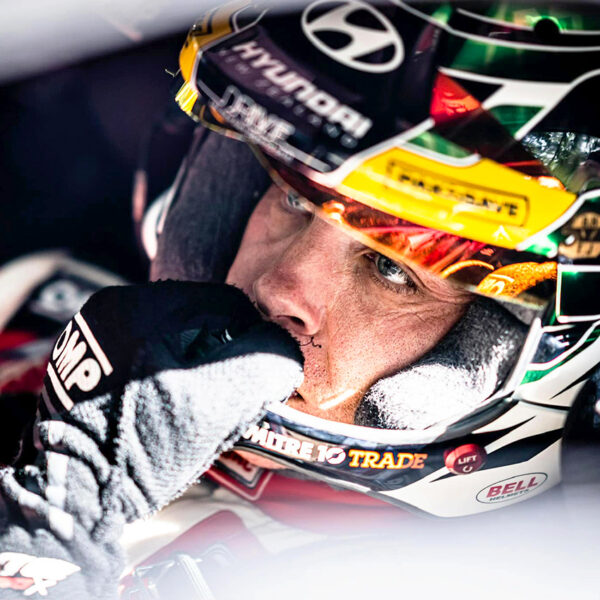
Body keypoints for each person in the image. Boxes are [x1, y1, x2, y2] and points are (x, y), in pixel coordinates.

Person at [1, 1, 600, 598]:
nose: (279, 287)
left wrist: (58, 520)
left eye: (392, 269)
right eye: (295, 200)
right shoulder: (26, 301)